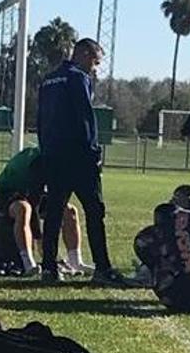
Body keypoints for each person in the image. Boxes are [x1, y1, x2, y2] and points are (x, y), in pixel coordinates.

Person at [36, 38, 127, 286]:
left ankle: (48, 268)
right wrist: (93, 152)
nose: (95, 69)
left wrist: (46, 151)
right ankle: (103, 267)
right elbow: (85, 118)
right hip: (78, 158)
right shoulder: (78, 77)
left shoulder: (48, 80)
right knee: (94, 212)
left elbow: (41, 120)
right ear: (85, 54)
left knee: (54, 213)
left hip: (53, 157)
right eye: (96, 62)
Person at [0, 146, 94, 275]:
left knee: (69, 211)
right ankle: (28, 262)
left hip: (31, 191)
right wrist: (40, 240)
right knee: (24, 209)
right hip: (6, 192)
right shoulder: (38, 163)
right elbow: (34, 202)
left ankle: (75, 262)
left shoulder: (59, 160)